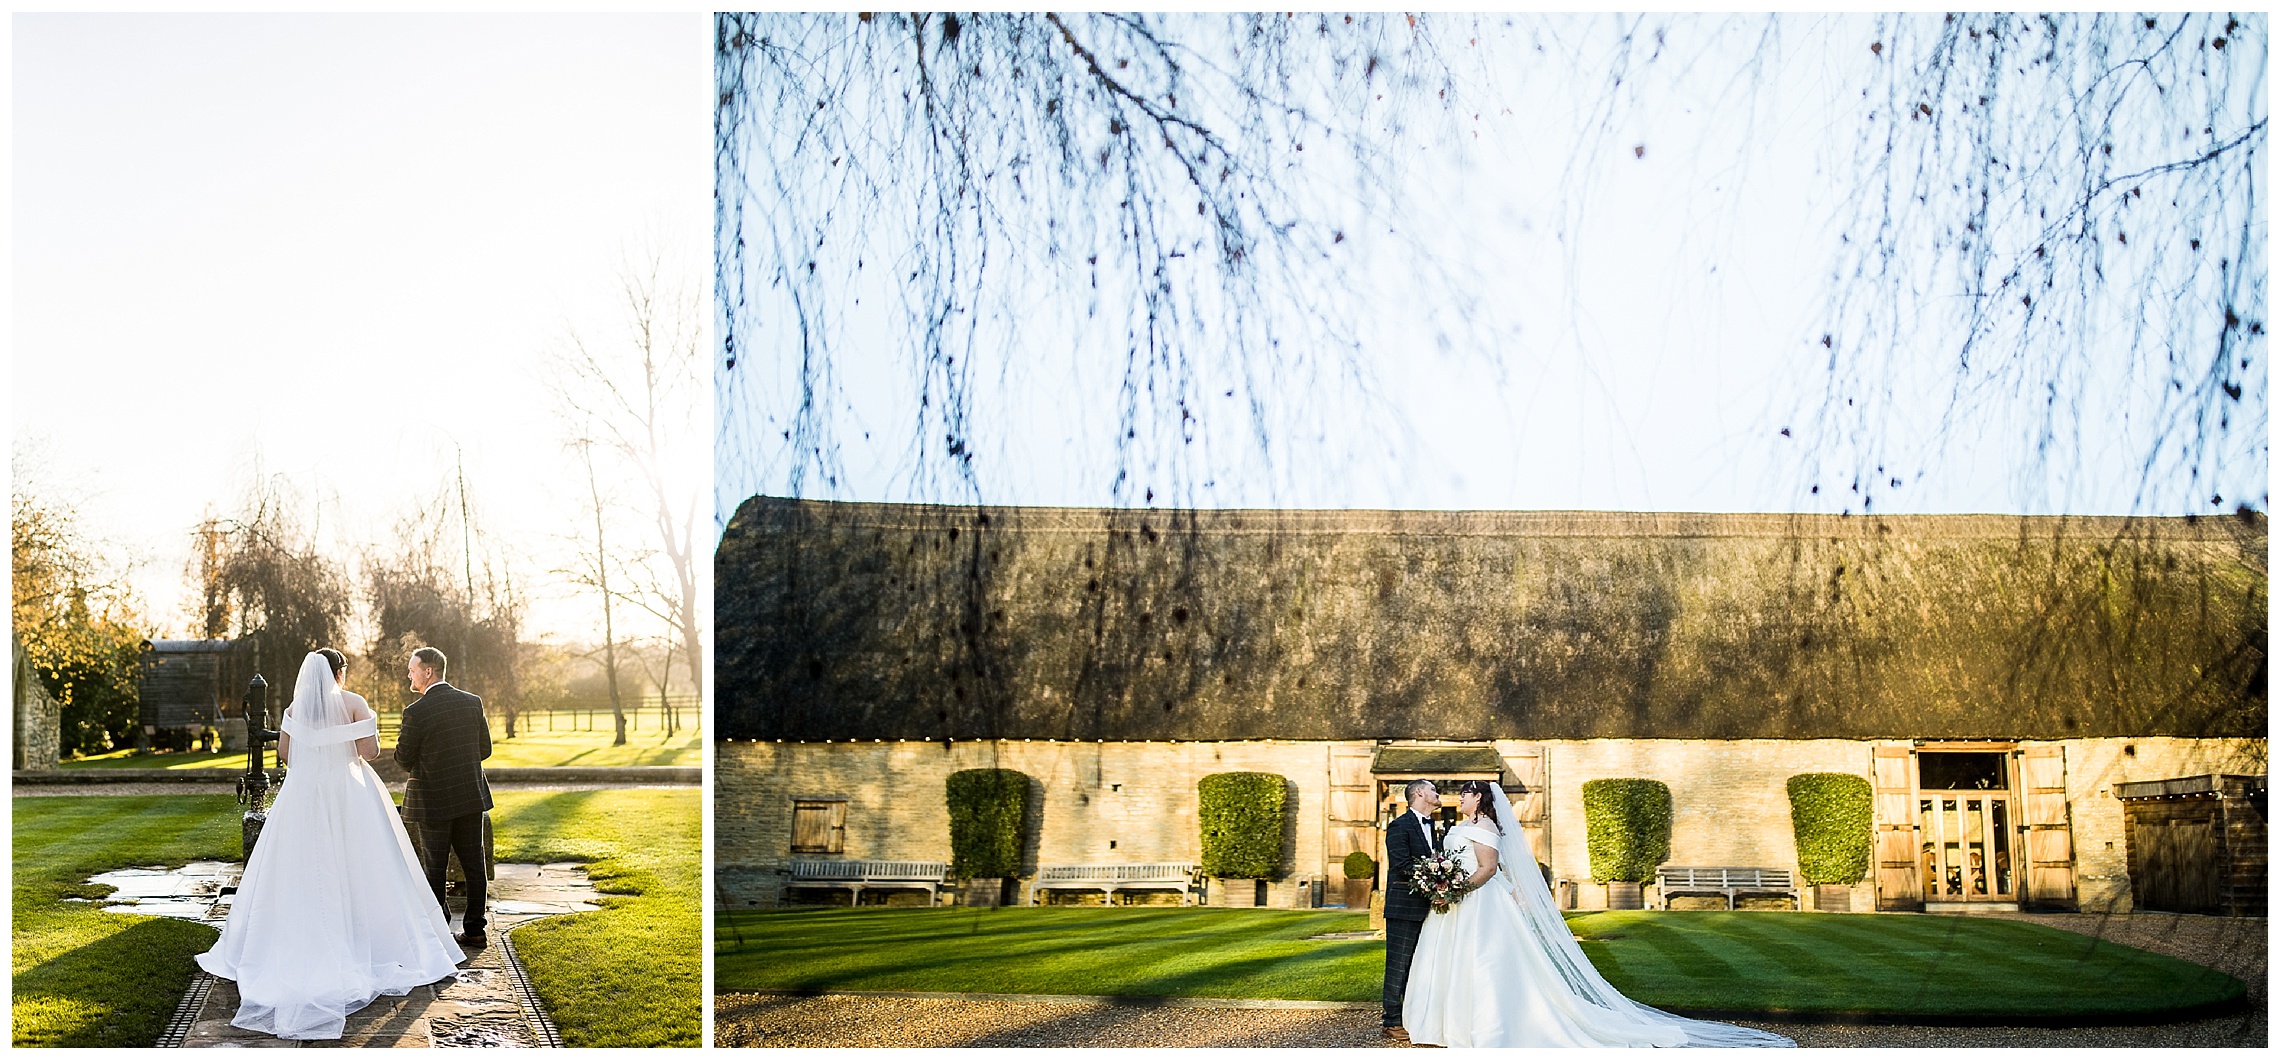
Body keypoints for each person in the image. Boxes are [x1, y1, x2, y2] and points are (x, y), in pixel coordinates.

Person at [196, 651, 465, 1040]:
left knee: (302, 867)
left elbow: (285, 753)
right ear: (340, 673)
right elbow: (370, 752)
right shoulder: (353, 702)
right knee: (363, 865)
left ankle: (295, 937)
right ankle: (370, 941)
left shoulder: (294, 708)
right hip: (348, 792)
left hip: (303, 795)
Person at [1402, 780, 1795, 1047]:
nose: (1460, 797)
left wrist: (1455, 888)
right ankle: (1448, 1023)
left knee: (1484, 963)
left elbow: (1487, 869)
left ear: (1480, 799)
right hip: (1455, 904)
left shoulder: (1485, 825)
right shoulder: (1462, 824)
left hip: (1478, 903)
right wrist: (1444, 886)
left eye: (1467, 793)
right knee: (1452, 961)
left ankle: (1488, 1028)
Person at [394, 646, 495, 948]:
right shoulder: (471, 703)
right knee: (474, 865)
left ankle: (439, 933)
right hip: (469, 796)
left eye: (412, 669)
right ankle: (475, 930)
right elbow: (485, 749)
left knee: (434, 868)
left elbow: (402, 757)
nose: (408, 674)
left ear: (428, 671)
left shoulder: (416, 712)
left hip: (433, 800)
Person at [1381, 779, 1441, 1041]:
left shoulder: (1434, 828)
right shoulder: (1398, 826)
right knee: (1399, 965)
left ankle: (1412, 1015)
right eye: (1432, 790)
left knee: (1421, 965)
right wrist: (1437, 878)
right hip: (1403, 906)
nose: (1437, 793)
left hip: (1429, 907)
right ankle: (1391, 1020)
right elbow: (1402, 864)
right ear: (1419, 793)